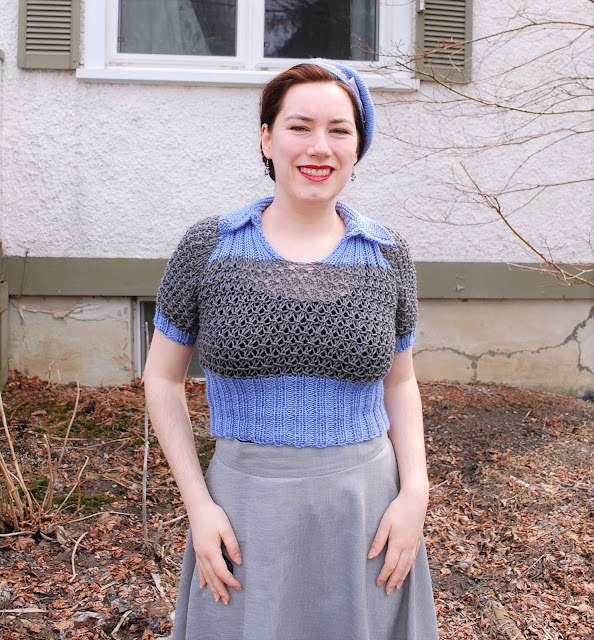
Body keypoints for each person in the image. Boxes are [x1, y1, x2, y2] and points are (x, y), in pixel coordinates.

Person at [143, 59, 439, 640]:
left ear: (357, 147)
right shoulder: (208, 248)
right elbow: (162, 378)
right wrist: (198, 506)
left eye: (339, 130)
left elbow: (400, 381)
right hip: (244, 511)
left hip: (366, 513)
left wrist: (415, 494)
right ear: (267, 138)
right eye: (299, 126)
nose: (319, 147)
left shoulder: (387, 255)